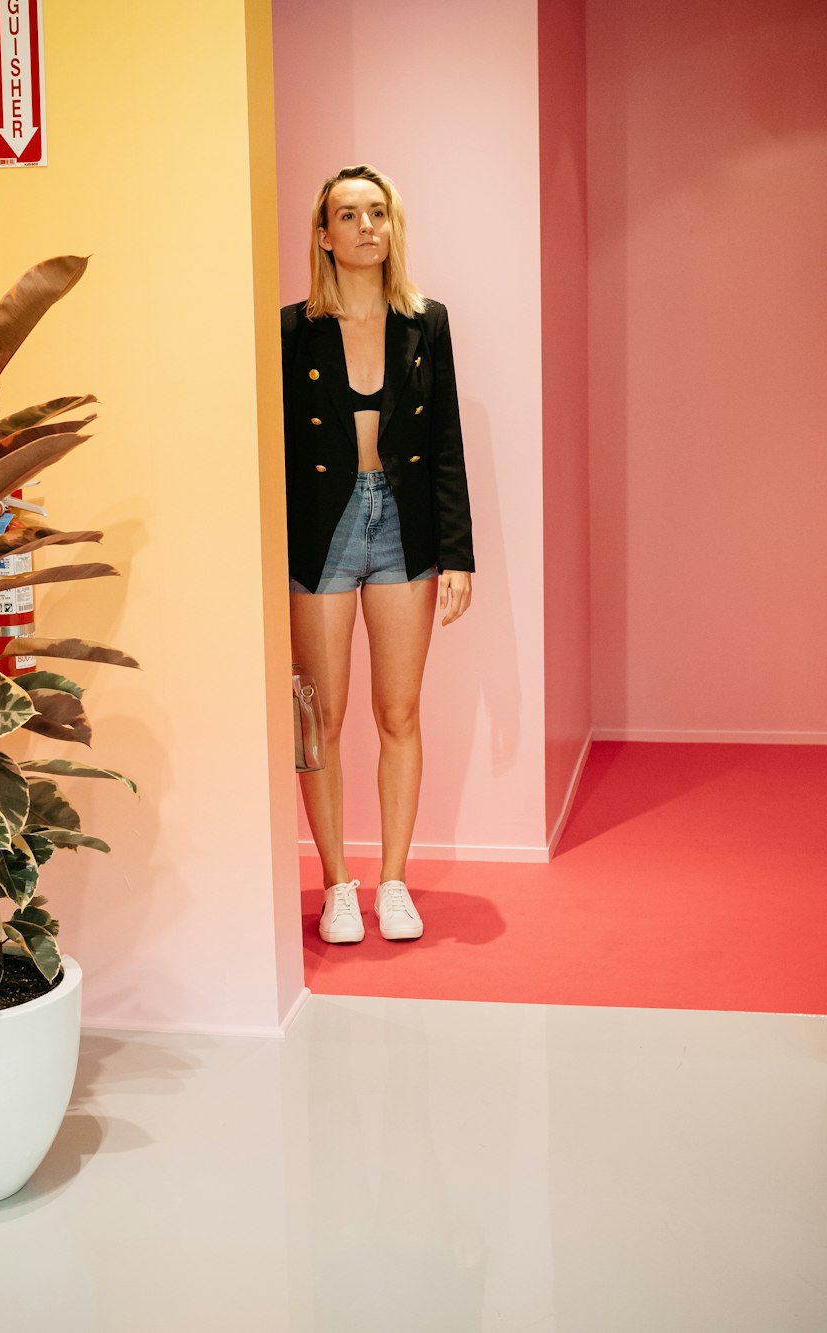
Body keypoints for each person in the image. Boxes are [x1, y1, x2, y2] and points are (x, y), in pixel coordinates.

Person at [282, 164, 474, 945]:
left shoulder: (427, 323)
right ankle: (336, 883)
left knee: (398, 712)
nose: (365, 226)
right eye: (348, 214)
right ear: (323, 235)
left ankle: (394, 881)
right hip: (320, 532)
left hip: (403, 531)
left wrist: (458, 553)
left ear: (392, 228)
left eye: (377, 213)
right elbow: (276, 449)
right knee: (317, 719)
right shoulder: (291, 330)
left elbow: (447, 442)